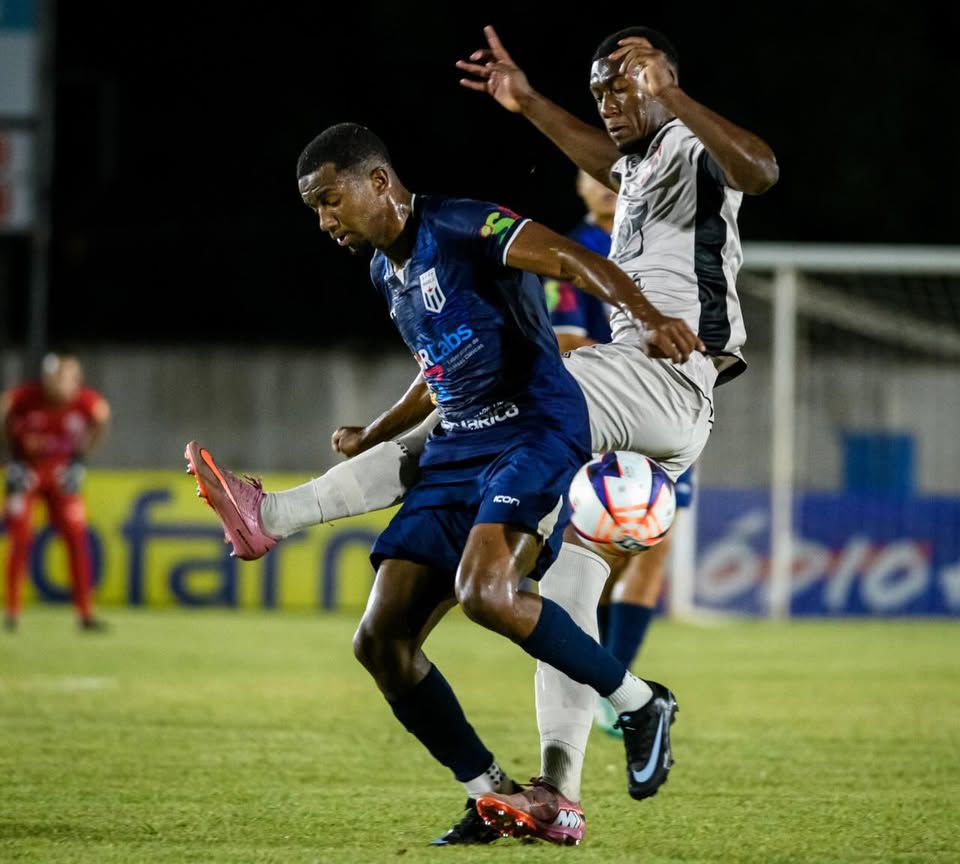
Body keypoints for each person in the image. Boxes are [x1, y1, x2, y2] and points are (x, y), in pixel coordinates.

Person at [191, 22, 777, 845]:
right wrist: (529, 101)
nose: (608, 103)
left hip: (666, 376)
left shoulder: (689, 143)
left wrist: (668, 96)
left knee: (497, 399)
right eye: (599, 91)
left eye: (622, 85)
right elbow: (605, 164)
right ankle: (557, 793)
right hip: (622, 394)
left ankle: (278, 514)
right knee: (561, 597)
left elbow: (761, 169)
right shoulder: (639, 168)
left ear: (660, 78)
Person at [546, 169, 693, 738]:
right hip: (603, 411)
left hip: (660, 410)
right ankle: (599, 681)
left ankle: (614, 684)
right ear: (578, 187)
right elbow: (565, 339)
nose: (603, 184)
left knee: (654, 542)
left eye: (607, 173)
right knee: (598, 546)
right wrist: (638, 364)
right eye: (589, 175)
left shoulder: (656, 243)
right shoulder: (570, 252)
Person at [3, 353, 110, 631]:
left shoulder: (84, 402)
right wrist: (10, 458)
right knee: (20, 536)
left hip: (61, 473)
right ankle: (12, 611)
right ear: (48, 379)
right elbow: (4, 410)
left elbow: (102, 417)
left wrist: (80, 459)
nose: (65, 385)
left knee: (76, 537)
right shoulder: (27, 397)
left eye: (71, 378)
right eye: (60, 378)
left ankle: (85, 613)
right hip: (27, 472)